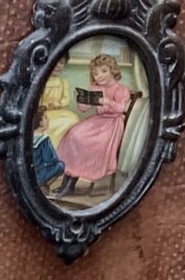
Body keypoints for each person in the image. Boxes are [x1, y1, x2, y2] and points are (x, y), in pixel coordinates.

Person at [52, 53, 130, 196]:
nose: (99, 76)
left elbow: (121, 109)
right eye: (95, 74)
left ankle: (70, 185)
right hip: (97, 122)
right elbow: (83, 109)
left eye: (104, 71)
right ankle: (66, 183)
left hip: (111, 124)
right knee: (73, 134)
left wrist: (106, 102)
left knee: (83, 141)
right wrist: (82, 99)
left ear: (113, 71)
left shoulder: (121, 89)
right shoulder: (94, 88)